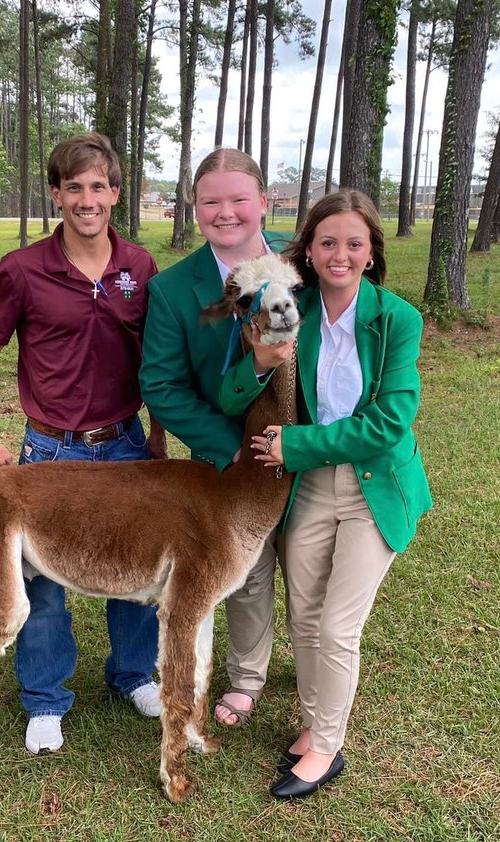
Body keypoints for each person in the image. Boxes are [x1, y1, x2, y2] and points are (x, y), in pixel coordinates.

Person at [219, 190, 432, 799]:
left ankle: (327, 746)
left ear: (371, 254)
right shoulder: (287, 308)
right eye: (328, 242)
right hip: (309, 491)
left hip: (372, 486)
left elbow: (392, 419)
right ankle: (314, 726)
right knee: (305, 618)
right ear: (308, 252)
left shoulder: (396, 320)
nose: (341, 254)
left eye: (354, 244)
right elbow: (234, 396)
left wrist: (299, 446)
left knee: (338, 627)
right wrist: (260, 360)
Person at [0, 133, 164, 755]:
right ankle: (46, 700)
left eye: (98, 186)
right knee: (42, 581)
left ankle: (133, 674)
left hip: (125, 445)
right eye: (73, 187)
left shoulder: (140, 267)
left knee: (136, 570)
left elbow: (157, 359)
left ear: (115, 192)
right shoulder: (22, 269)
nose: (86, 199)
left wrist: (159, 434)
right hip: (51, 451)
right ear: (56, 194)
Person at [140, 148, 295, 728]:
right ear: (195, 206)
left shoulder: (299, 270)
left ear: (263, 201)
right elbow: (160, 383)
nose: (225, 212)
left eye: (238, 199)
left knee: (308, 560)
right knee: (246, 569)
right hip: (229, 452)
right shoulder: (175, 288)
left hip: (308, 446)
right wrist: (226, 444)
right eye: (211, 201)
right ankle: (248, 676)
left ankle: (315, 661)